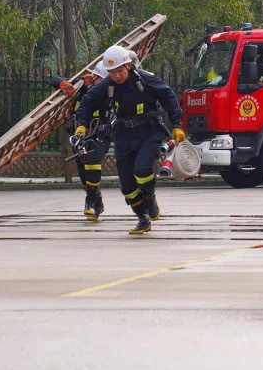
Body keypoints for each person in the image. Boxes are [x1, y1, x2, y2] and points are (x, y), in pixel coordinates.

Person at [75, 45, 184, 235]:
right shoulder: (107, 85)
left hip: (149, 131)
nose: (116, 76)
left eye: (120, 70)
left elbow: (169, 97)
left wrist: (177, 125)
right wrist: (82, 125)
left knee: (142, 170)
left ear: (128, 65)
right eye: (112, 72)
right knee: (127, 187)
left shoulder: (145, 79)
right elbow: (87, 101)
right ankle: (142, 218)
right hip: (124, 134)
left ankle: (150, 198)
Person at [50, 63, 111, 221]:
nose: (101, 83)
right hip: (80, 134)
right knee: (83, 173)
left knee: (92, 162)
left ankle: (89, 203)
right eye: (99, 79)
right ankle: (97, 202)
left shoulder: (110, 92)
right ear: (93, 77)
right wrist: (63, 83)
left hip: (100, 133)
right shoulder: (81, 86)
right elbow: (53, 79)